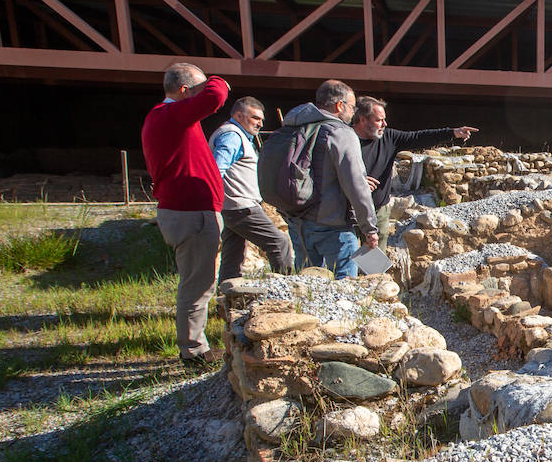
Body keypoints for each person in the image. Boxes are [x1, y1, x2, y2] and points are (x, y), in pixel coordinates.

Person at [140, 62, 229, 367]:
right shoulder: (170, 115)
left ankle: (194, 344)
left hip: (188, 211)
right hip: (191, 214)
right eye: (197, 91)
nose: (201, 97)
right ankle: (193, 350)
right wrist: (216, 79)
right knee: (197, 283)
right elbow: (216, 96)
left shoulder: (167, 119)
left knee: (198, 280)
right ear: (184, 91)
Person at [277, 80, 378, 278]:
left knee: (307, 284)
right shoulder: (341, 133)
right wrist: (369, 228)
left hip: (298, 221)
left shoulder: (294, 127)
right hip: (333, 227)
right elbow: (356, 185)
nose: (353, 113)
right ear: (340, 105)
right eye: (352, 107)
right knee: (344, 287)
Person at [352, 96, 477, 241]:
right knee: (344, 261)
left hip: (378, 211)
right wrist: (355, 180)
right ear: (362, 120)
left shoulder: (389, 137)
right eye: (378, 120)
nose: (384, 124)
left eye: (384, 119)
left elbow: (418, 137)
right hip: (347, 213)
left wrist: (452, 133)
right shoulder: (342, 138)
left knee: (374, 261)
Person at [210, 96, 294, 282]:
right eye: (255, 118)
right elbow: (217, 169)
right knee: (279, 243)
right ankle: (283, 290)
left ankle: (228, 302)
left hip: (231, 206)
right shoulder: (232, 136)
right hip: (240, 206)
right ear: (239, 116)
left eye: (261, 119)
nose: (260, 123)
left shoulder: (234, 135)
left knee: (233, 256)